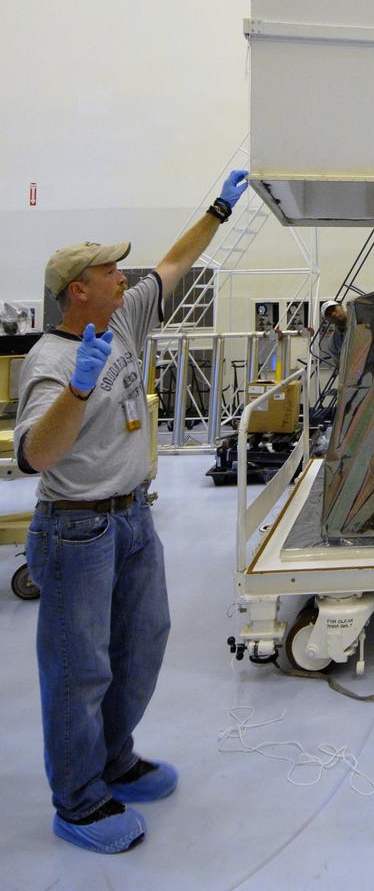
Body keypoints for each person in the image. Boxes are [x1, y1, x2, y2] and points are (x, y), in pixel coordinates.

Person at [14, 169, 249, 854]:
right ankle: (81, 802)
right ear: (76, 290)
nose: (126, 276)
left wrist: (218, 210)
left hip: (133, 518)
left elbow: (176, 262)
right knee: (78, 669)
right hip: (77, 527)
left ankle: (115, 760)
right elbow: (37, 456)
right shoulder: (50, 361)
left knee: (141, 644)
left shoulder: (120, 320)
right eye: (111, 271)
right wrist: (79, 391)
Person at [316, 298, 348, 367]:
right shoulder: (333, 343)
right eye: (329, 314)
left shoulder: (362, 319)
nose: (333, 314)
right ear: (328, 321)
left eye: (334, 309)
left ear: (341, 306)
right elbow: (340, 366)